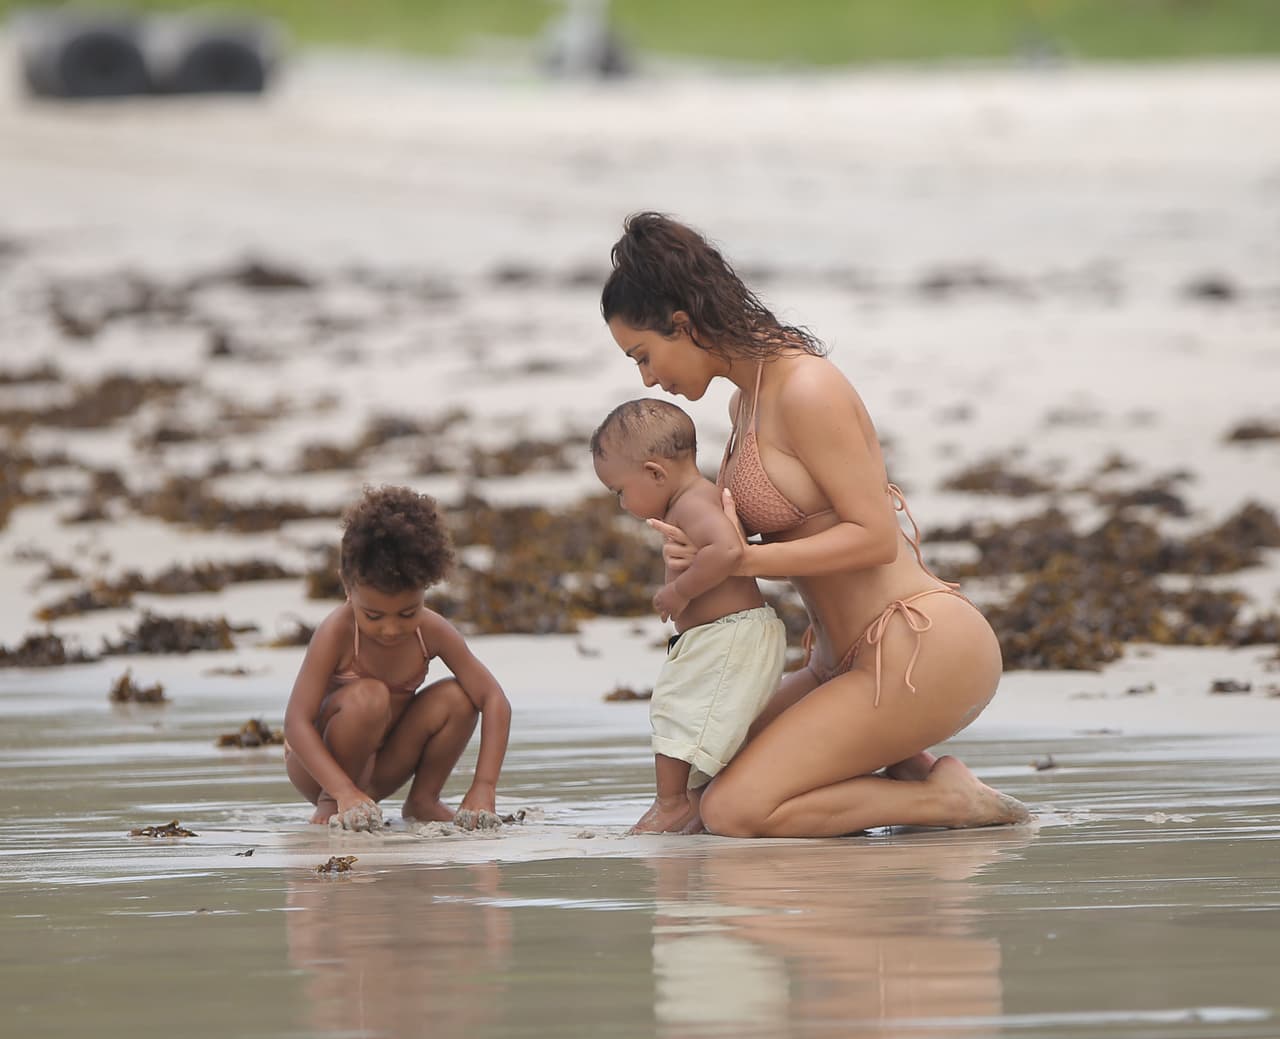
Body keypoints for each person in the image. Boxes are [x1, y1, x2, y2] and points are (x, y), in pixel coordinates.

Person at [600, 211, 1030, 838]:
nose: (645, 378)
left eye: (644, 355)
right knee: (701, 780)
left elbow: (875, 537)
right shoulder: (743, 401)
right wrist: (701, 557)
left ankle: (948, 800)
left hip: (917, 648)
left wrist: (742, 560)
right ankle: (907, 773)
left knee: (733, 809)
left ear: (682, 325)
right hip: (839, 663)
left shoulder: (806, 387)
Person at [590, 399, 787, 833]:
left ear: (655, 473)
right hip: (724, 635)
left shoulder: (694, 503)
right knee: (711, 719)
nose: (622, 504)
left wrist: (679, 591)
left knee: (677, 709)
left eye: (620, 491)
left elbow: (729, 551)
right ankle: (692, 804)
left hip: (728, 635)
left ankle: (673, 803)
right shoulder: (691, 501)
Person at [284, 484, 512, 831]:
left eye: (407, 613)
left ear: (426, 588)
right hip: (319, 770)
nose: (391, 630)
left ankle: (423, 800)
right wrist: (340, 790)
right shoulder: (338, 632)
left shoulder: (432, 631)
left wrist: (484, 787)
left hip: (384, 768)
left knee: (459, 696)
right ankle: (332, 803)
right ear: (348, 587)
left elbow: (494, 699)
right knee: (369, 696)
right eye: (374, 616)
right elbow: (296, 724)